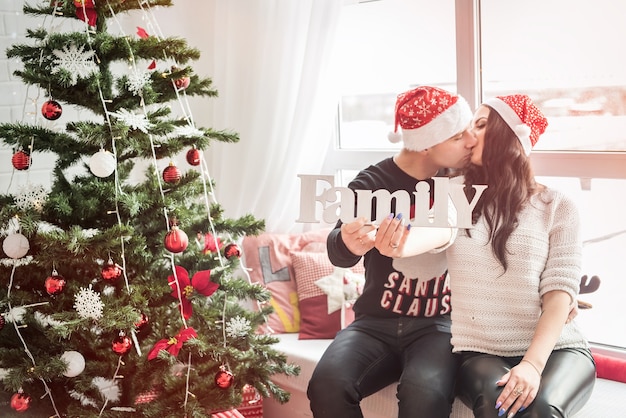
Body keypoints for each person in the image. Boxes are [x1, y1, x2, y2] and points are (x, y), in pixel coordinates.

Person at [383, 94, 596, 418]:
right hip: (480, 352)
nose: (470, 136)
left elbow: (558, 295)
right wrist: (401, 243)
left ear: (509, 136)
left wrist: (531, 366)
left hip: (559, 351)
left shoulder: (558, 206)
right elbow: (435, 238)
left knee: (539, 409)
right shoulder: (453, 193)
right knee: (502, 408)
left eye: (481, 125)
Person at [307, 85, 476, 418]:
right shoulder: (370, 183)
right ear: (428, 144)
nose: (471, 141)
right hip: (374, 322)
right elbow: (338, 250)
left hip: (439, 324)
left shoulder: (464, 182)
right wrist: (347, 243)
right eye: (458, 137)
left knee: (424, 393)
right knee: (326, 385)